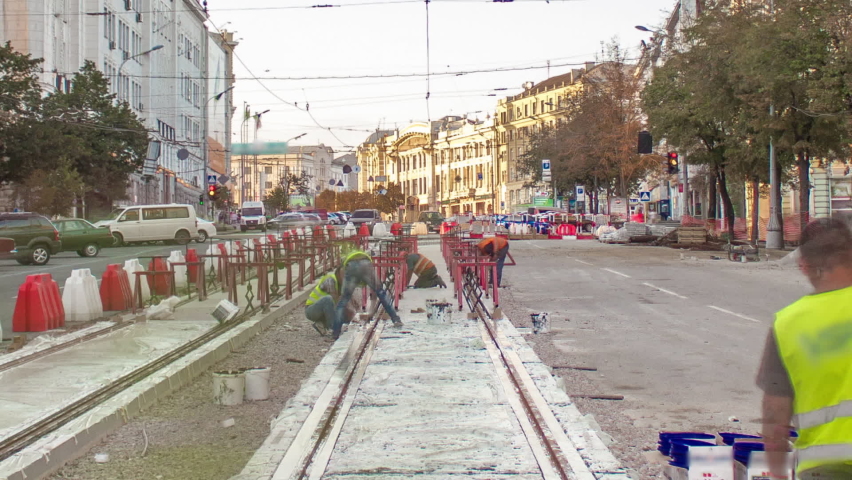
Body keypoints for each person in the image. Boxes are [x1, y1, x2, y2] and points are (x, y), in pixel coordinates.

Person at [756, 218, 852, 479]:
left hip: (824, 467)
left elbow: (775, 416)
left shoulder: (788, 324)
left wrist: (777, 471)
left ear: (804, 265)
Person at [333, 247, 402, 339]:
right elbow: (374, 291)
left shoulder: (343, 266)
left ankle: (335, 332)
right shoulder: (362, 255)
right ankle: (396, 319)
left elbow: (344, 286)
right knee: (381, 293)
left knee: (343, 300)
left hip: (351, 266)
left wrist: (345, 294)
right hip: (366, 265)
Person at [305, 268, 357, 336]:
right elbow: (335, 300)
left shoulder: (341, 285)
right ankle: (332, 328)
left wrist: (352, 313)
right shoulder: (330, 279)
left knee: (346, 312)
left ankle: (321, 325)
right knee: (329, 299)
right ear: (338, 274)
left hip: (323, 310)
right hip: (311, 310)